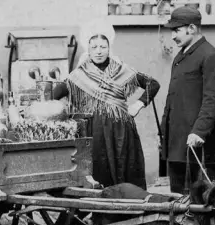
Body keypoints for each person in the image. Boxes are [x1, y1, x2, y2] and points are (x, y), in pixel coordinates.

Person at [53, 19, 160, 189]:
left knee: (126, 172)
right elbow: (55, 94)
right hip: (95, 133)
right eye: (94, 47)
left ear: (109, 48)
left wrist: (138, 104)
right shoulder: (78, 76)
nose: (98, 51)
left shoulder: (122, 70)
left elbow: (153, 84)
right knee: (100, 174)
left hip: (122, 132)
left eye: (103, 47)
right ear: (88, 49)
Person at [161, 6, 215, 194]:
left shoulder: (211, 55)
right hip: (177, 145)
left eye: (176, 30)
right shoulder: (181, 55)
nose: (173, 36)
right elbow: (174, 98)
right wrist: (165, 131)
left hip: (198, 144)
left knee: (203, 202)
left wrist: (199, 132)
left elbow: (214, 100)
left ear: (192, 28)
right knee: (178, 200)